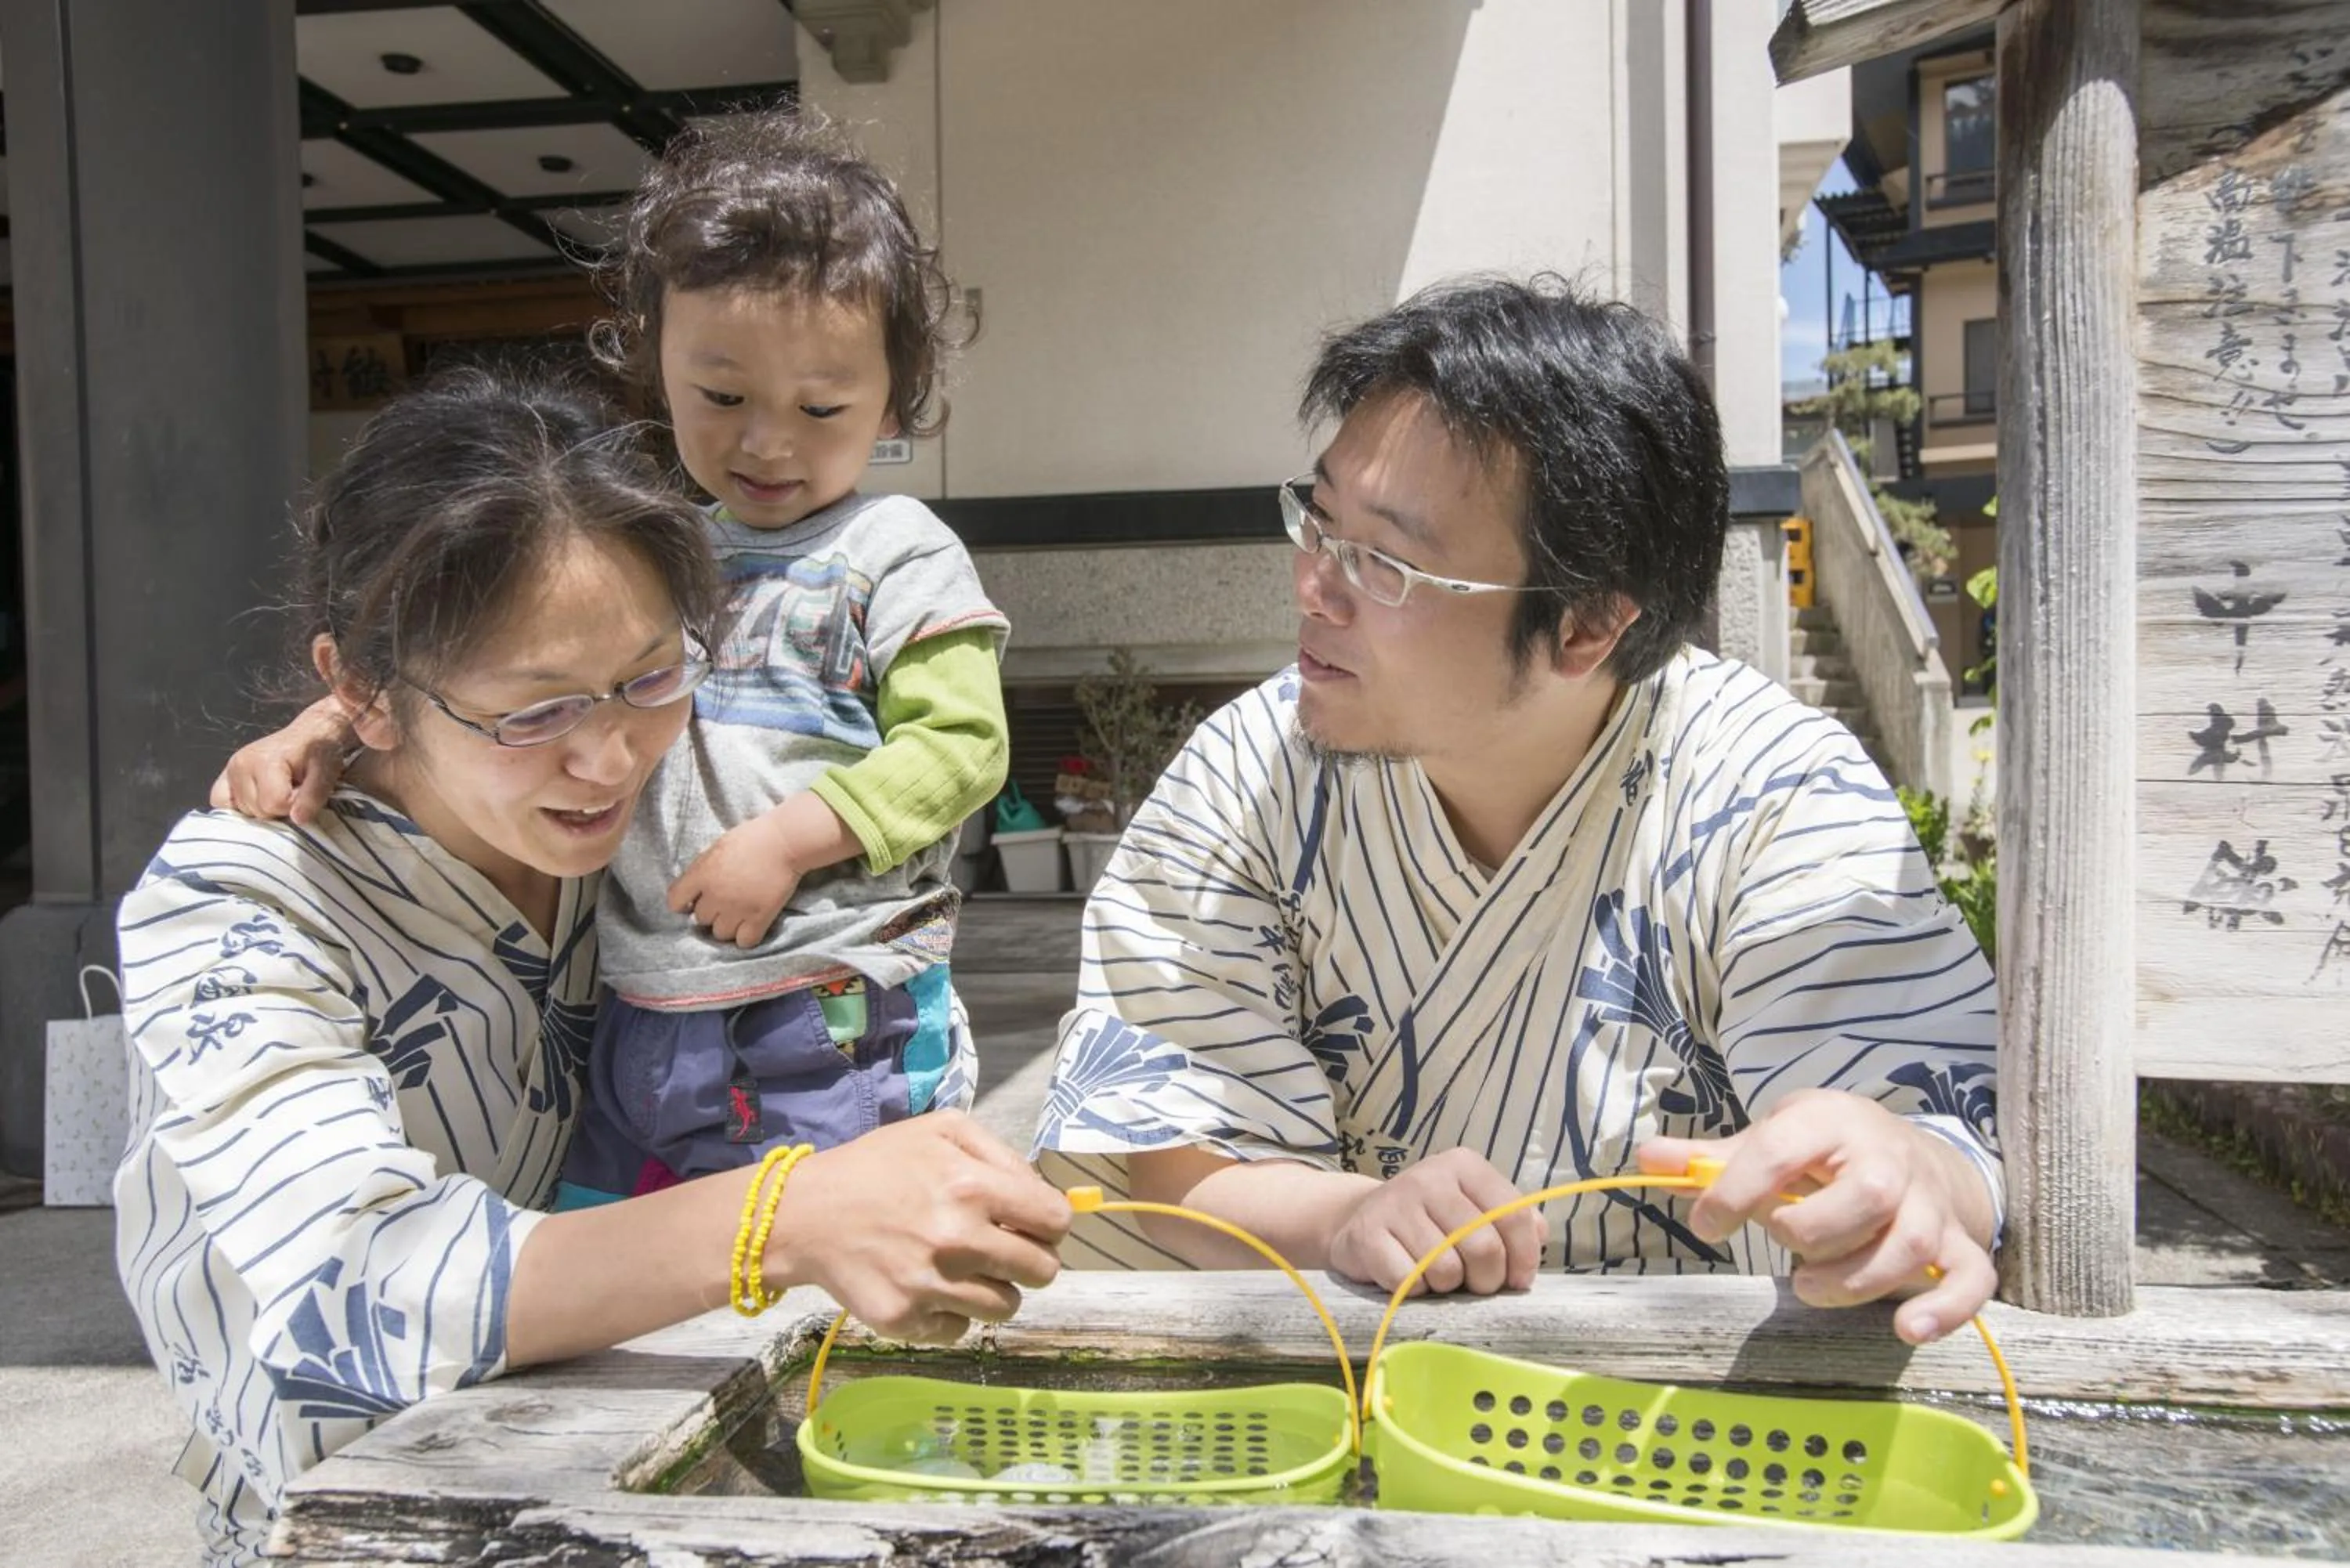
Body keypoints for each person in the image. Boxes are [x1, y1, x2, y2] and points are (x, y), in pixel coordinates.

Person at [122, 370, 1068, 1566]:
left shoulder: (636, 836)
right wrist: (786, 1213)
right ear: (359, 686)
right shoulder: (234, 905)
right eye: (535, 711)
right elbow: (356, 1272)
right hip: (346, 1525)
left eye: (654, 675)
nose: (609, 756)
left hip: (604, 1477)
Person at [1032, 276, 2001, 1346]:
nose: (1315, 585)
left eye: (1383, 561)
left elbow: (1923, 1152)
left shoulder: (1775, 798)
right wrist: (1350, 1216)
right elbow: (1173, 1152)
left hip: (1681, 1425)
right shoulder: (1247, 775)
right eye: (1318, 521)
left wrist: (1905, 1174)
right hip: (1318, 1393)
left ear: (1586, 625)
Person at [219, 111, 1012, 1209]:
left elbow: (964, 746)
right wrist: (329, 724)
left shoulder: (895, 550)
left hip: (825, 996)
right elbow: (485, 661)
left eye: (821, 406)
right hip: (644, 994)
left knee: (834, 1241)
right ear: (655, 364)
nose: (766, 441)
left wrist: (788, 840)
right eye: (721, 397)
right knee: (628, 1242)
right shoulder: (655, 544)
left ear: (896, 396)